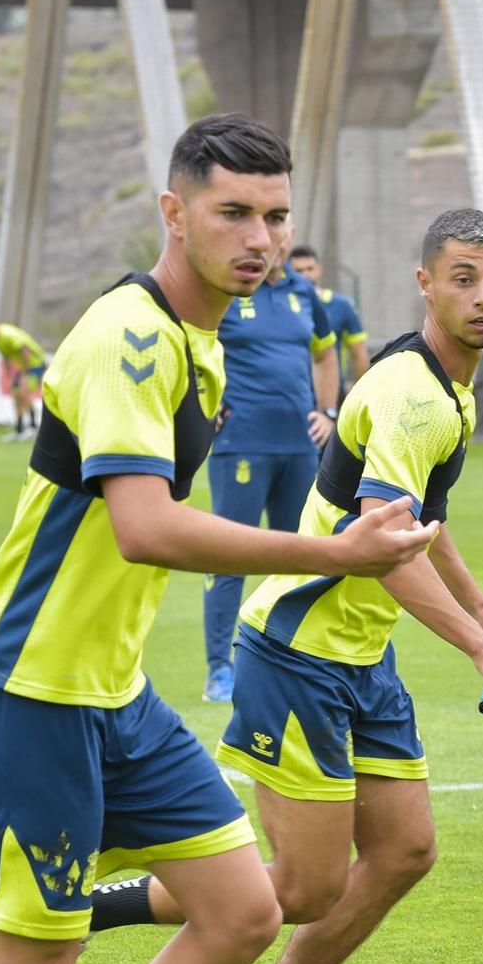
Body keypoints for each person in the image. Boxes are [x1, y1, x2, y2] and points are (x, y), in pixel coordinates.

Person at [0, 114, 436, 964]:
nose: (260, 237)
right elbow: (144, 525)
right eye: (233, 212)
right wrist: (334, 551)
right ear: (175, 213)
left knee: (243, 911)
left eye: (275, 215)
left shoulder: (206, 342)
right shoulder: (128, 334)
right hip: (33, 691)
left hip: (114, 694)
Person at [87, 209, 483, 964]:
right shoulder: (410, 390)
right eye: (464, 279)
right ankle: (92, 906)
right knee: (302, 889)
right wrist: (482, 655)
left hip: (361, 659)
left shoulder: (455, 387)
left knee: (404, 853)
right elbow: (387, 548)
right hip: (296, 653)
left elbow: (418, 523)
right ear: (424, 283)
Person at [202, 237, 341, 702]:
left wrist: (328, 411)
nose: (274, 242)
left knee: (301, 558)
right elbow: (194, 344)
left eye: (282, 230)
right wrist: (206, 405)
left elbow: (325, 353)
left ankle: (287, 662)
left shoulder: (306, 295)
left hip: (300, 447)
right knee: (228, 557)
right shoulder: (229, 290)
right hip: (240, 445)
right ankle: (220, 669)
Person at [287, 244, 370, 390]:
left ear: (319, 269)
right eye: (298, 271)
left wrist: (361, 391)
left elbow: (358, 352)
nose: (305, 275)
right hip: (294, 390)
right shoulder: (282, 305)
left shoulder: (342, 305)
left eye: (309, 269)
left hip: (331, 388)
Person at [0, 313, 49, 442]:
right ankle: (19, 429)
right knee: (16, 395)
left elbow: (25, 351)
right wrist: (10, 377)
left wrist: (26, 373)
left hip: (35, 364)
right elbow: (7, 358)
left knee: (23, 393)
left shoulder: (6, 334)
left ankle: (33, 427)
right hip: (23, 368)